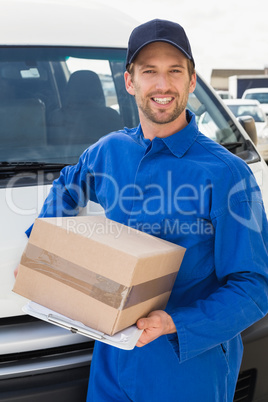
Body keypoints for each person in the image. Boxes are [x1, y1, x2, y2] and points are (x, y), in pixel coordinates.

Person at [21, 19, 268, 401]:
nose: (163, 85)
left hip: (186, 367)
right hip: (111, 359)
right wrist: (41, 253)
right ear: (130, 82)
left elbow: (255, 287)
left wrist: (174, 323)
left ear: (191, 81)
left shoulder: (227, 174)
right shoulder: (110, 150)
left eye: (175, 71)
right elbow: (69, 182)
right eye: (149, 71)